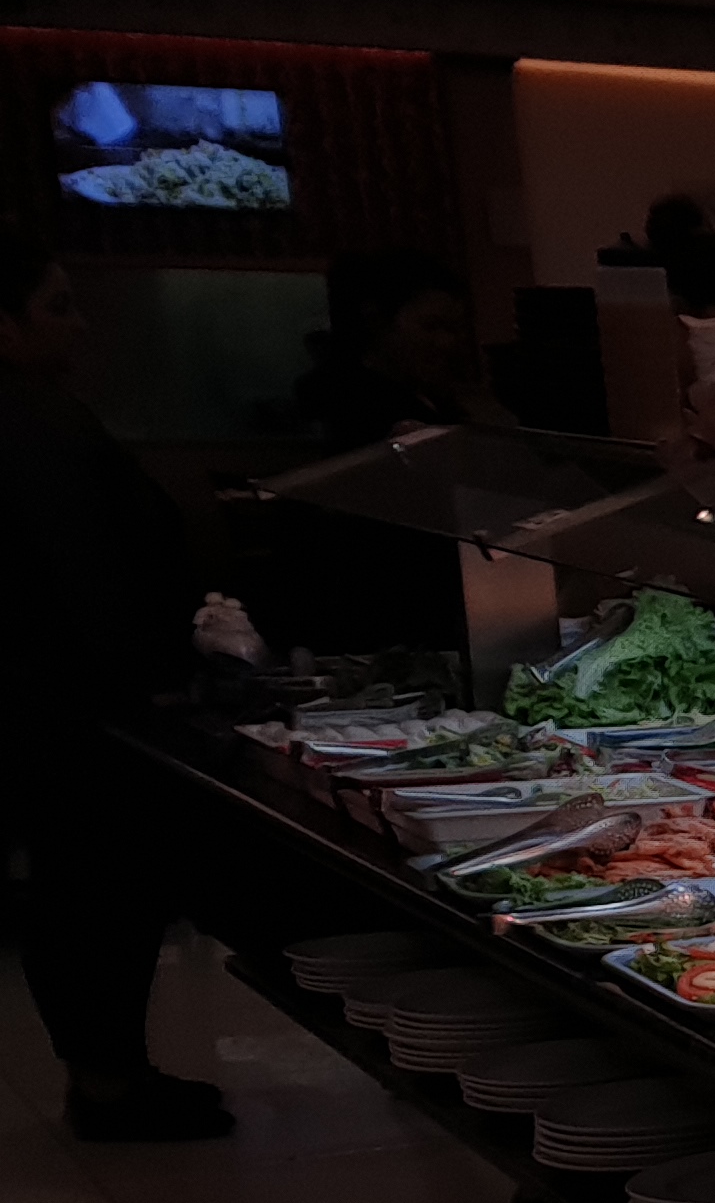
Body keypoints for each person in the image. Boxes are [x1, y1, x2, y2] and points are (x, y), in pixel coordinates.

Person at [0, 236, 241, 1139]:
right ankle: (107, 1083)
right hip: (77, 711)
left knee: (79, 889)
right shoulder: (34, 426)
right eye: (57, 305)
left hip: (53, 704)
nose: (79, 324)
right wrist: (158, 687)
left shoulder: (38, 415)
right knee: (95, 891)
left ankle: (106, 1075)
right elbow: (88, 580)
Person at [294, 251, 514, 451]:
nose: (447, 342)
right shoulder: (355, 407)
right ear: (377, 321)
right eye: (431, 326)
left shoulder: (422, 389)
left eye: (454, 329)